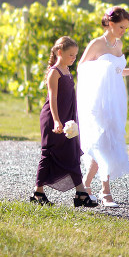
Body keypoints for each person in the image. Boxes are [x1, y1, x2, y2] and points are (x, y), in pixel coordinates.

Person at [77, 6, 129, 207]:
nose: (123, 31)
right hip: (98, 99)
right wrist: (102, 69)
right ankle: (105, 191)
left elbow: (117, 70)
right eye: (121, 27)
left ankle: (85, 185)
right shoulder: (96, 44)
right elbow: (82, 68)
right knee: (102, 140)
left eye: (126, 28)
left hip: (115, 97)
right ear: (110, 23)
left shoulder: (118, 44)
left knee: (108, 140)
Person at [30, 36, 98, 207]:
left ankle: (80, 194)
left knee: (72, 153)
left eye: (75, 55)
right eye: (70, 55)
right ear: (59, 52)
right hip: (54, 119)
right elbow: (52, 98)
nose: (73, 58)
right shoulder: (55, 72)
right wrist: (56, 121)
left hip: (68, 119)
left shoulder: (67, 71)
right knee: (49, 154)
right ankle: (38, 193)